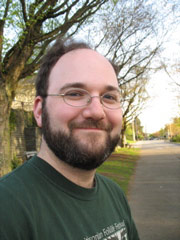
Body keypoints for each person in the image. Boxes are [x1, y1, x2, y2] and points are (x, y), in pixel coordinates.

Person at [0, 38, 140, 240]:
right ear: (39, 111)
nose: (96, 112)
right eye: (74, 93)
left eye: (109, 97)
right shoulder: (7, 211)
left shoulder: (115, 194)